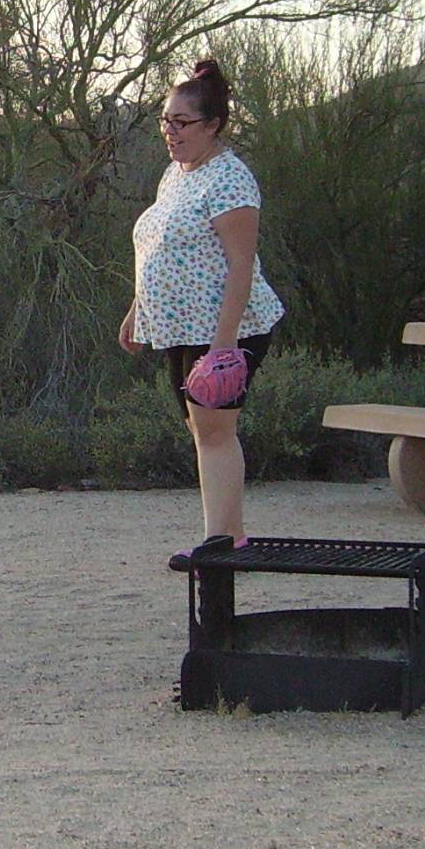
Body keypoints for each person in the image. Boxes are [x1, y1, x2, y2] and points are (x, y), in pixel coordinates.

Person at [119, 58, 284, 551]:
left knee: (214, 430)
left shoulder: (230, 180)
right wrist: (136, 311)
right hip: (179, 326)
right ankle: (228, 537)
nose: (170, 132)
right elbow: (158, 247)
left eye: (182, 122)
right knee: (201, 429)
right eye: (165, 121)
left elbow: (240, 264)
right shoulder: (175, 175)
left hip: (228, 325)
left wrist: (224, 347)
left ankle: (222, 542)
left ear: (212, 126)